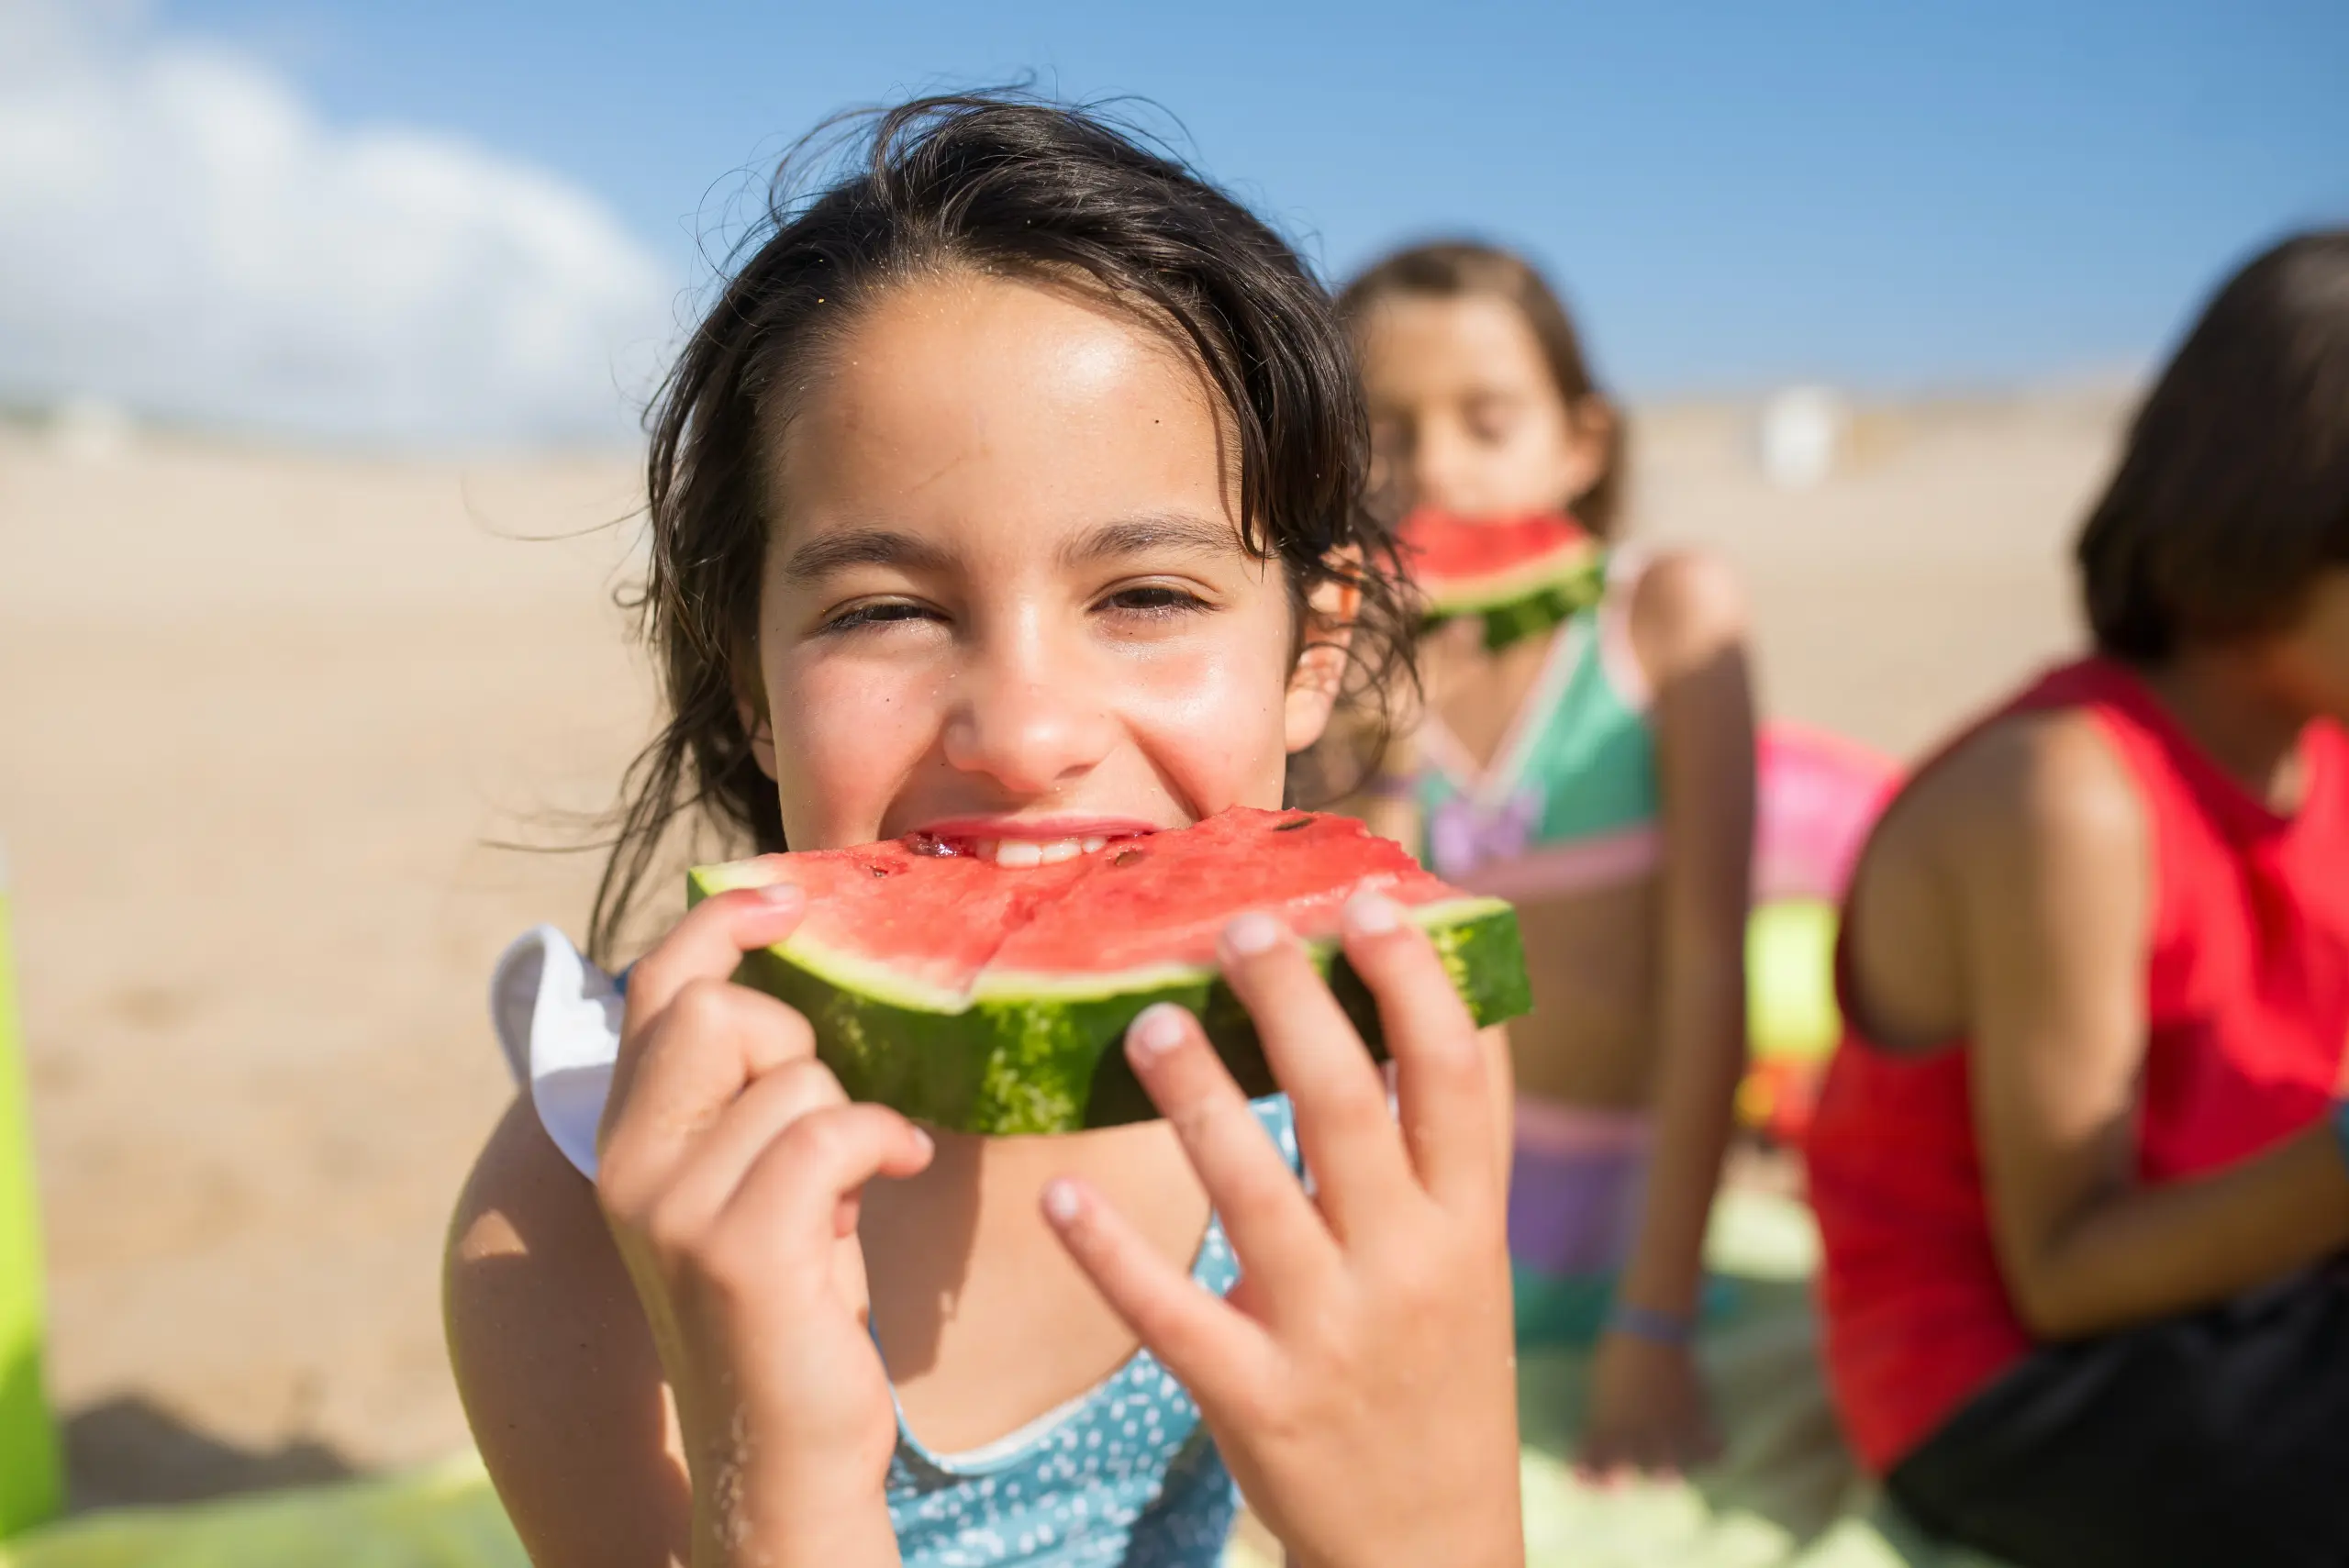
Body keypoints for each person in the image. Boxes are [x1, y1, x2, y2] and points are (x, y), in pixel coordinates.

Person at [441, 97, 1528, 1568]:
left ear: (1313, 652)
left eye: (1148, 596)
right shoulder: (578, 1212)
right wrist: (783, 1497)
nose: (1021, 736)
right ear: (747, 684)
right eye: (884, 610)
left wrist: (1433, 1519)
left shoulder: (1376, 1077)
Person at [1805, 230, 2349, 1568]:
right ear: (2285, 522)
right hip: (2010, 1387)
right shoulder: (2069, 796)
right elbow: (2067, 1273)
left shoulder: (2324, 744)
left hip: (2255, 1293)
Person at [1339, 243, 1756, 1477]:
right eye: (1385, 432)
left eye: (1488, 420)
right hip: (1417, 1235)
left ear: (1581, 442)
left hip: (1626, 1232)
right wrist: (1374, 732)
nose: (1438, 470)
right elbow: (1365, 969)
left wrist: (1655, 1316)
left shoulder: (1668, 615)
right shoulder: (1338, 660)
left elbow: (1707, 973)